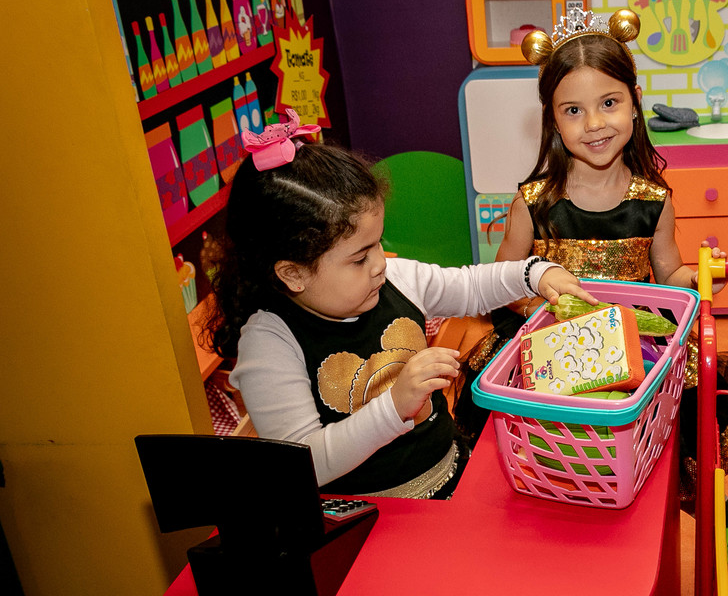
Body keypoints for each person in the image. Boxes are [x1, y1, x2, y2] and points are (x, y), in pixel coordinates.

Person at [205, 110, 595, 499]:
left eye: (377, 242)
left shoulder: (396, 278)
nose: (379, 263)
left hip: (451, 476)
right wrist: (394, 406)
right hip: (366, 521)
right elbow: (305, 465)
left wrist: (533, 274)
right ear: (293, 274)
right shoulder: (270, 341)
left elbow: (471, 285)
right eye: (359, 258)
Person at [454, 7, 728, 506]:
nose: (594, 124)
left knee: (660, 436)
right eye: (572, 110)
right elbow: (500, 282)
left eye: (609, 103)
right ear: (552, 119)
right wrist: (542, 311)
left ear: (635, 104)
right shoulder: (533, 204)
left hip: (635, 353)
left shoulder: (654, 201)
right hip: (549, 355)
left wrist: (703, 277)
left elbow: (669, 275)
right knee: (556, 469)